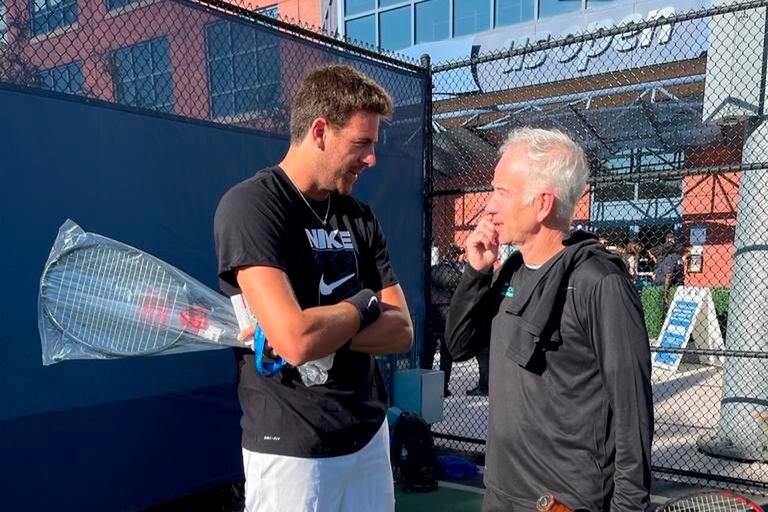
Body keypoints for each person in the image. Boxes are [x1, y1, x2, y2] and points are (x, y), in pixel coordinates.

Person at [214, 64, 413, 512]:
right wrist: (363, 305)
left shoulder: (360, 217)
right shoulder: (252, 205)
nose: (371, 159)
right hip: (292, 446)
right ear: (320, 131)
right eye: (361, 144)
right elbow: (295, 339)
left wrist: (317, 328)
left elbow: (401, 331)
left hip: (367, 434)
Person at [445, 127, 653, 511]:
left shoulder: (598, 282)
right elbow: (459, 346)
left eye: (501, 192)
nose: (489, 206)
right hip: (501, 493)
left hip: (563, 503)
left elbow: (632, 415)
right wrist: (476, 274)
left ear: (542, 204)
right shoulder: (511, 270)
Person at [421, 243, 464, 397]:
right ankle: (443, 386)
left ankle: (424, 380)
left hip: (433, 313)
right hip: (448, 315)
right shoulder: (456, 273)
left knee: (429, 350)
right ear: (456, 257)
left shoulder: (432, 270)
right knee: (446, 354)